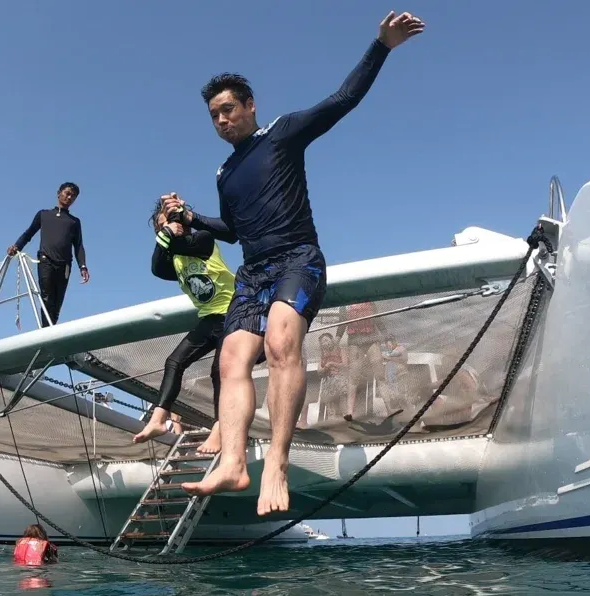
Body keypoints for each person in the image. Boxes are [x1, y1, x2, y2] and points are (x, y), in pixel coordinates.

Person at [165, 11, 425, 515]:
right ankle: (234, 463)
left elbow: (341, 100)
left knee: (282, 342)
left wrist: (381, 46)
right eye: (214, 116)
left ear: (250, 105)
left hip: (297, 259)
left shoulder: (281, 134)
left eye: (228, 110)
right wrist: (191, 217)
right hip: (253, 272)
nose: (221, 121)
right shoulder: (224, 172)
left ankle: (277, 463)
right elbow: (233, 229)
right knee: (231, 359)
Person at [131, 197, 241, 455]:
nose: (166, 229)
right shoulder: (175, 260)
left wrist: (174, 224)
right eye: (161, 227)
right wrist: (166, 233)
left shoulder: (203, 240)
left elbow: (178, 244)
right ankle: (159, 419)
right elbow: (157, 268)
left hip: (234, 312)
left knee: (219, 371)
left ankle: (220, 428)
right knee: (174, 362)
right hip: (210, 318)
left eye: (169, 223)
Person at [7, 182, 90, 326]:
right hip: (46, 261)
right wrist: (17, 246)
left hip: (64, 265)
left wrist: (83, 266)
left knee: (57, 303)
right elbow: (28, 234)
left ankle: (51, 330)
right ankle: (46, 330)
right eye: (67, 193)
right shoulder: (44, 214)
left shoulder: (74, 222)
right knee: (47, 298)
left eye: (73, 196)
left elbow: (78, 246)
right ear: (59, 193)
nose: (69, 197)